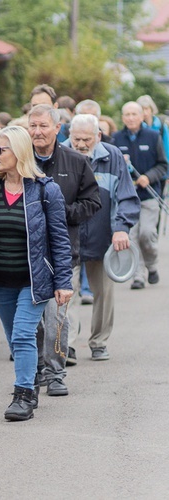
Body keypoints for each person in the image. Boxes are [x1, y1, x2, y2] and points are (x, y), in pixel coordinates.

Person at [0, 125, 73, 421]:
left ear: (19, 151)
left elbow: (59, 240)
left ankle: (24, 394)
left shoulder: (45, 190)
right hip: (0, 279)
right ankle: (31, 375)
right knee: (15, 340)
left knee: (24, 334)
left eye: (1, 150)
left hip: (34, 279)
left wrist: (64, 282)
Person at [28, 104, 100, 397]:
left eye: (43, 126)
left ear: (58, 128)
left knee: (56, 317)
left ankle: (56, 373)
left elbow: (92, 202)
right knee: (32, 320)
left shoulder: (75, 161)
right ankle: (35, 372)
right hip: (25, 256)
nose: (37, 132)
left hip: (61, 254)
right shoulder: (19, 161)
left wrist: (60, 212)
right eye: (32, 126)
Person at [68, 114, 140, 362]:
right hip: (69, 237)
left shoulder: (112, 156)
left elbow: (127, 197)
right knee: (66, 291)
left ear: (98, 136)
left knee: (104, 293)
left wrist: (122, 227)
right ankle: (66, 345)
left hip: (103, 236)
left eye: (86, 139)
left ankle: (98, 341)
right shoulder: (61, 154)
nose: (80, 144)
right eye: (76, 138)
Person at [113, 101, 168, 290]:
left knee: (146, 233)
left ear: (141, 116)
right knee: (132, 236)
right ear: (122, 118)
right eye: (126, 114)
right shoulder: (116, 139)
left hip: (149, 196)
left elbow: (163, 165)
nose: (130, 118)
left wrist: (148, 177)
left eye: (133, 114)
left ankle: (152, 266)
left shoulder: (153, 137)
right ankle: (138, 276)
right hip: (127, 199)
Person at [136, 95, 169, 163]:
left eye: (147, 109)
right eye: (142, 109)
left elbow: (167, 148)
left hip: (161, 165)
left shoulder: (161, 125)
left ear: (151, 109)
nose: (145, 112)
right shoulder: (136, 127)